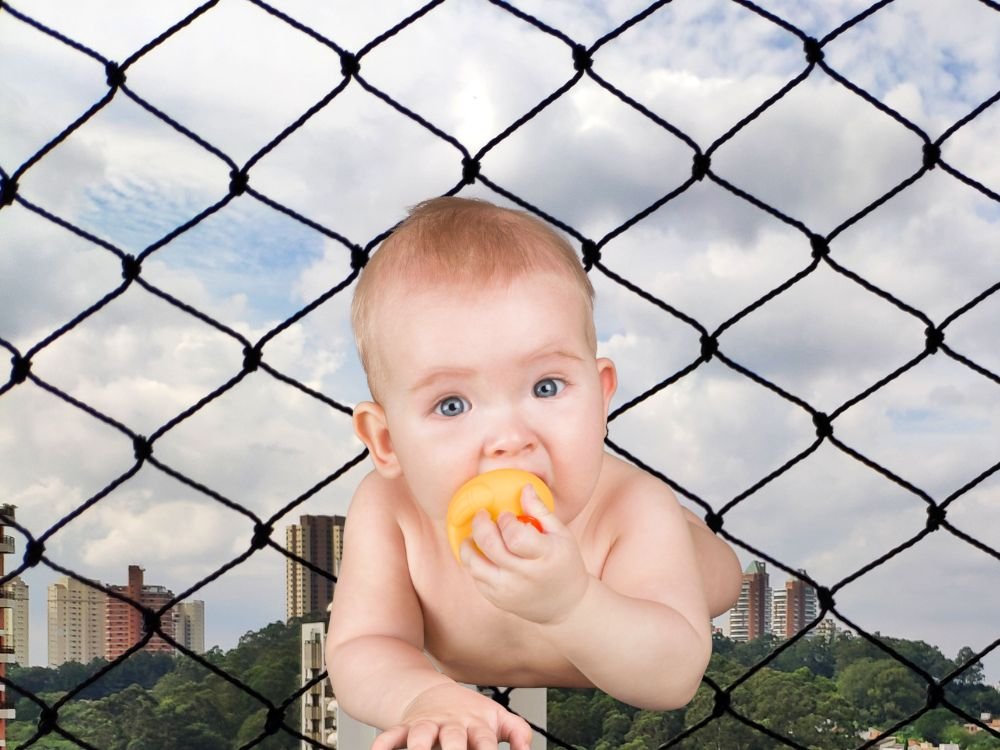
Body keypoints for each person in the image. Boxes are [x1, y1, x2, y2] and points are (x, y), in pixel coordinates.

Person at [326, 196, 742, 750]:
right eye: (452, 404)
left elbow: (673, 677)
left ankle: (688, 535)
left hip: (651, 556)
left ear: (601, 396)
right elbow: (364, 643)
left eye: (546, 388)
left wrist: (573, 602)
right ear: (386, 441)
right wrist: (421, 696)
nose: (510, 438)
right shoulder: (386, 507)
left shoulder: (632, 508)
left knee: (707, 568)